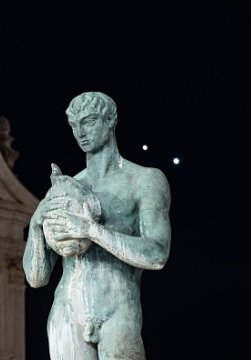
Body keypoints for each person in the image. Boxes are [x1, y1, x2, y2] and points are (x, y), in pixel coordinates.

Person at [23, 91, 171, 360]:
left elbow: (157, 254)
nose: (80, 132)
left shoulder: (144, 180)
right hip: (67, 311)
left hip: (118, 308)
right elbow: (36, 279)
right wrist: (36, 224)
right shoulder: (67, 190)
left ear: (111, 119)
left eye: (89, 121)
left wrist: (91, 230)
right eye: (74, 125)